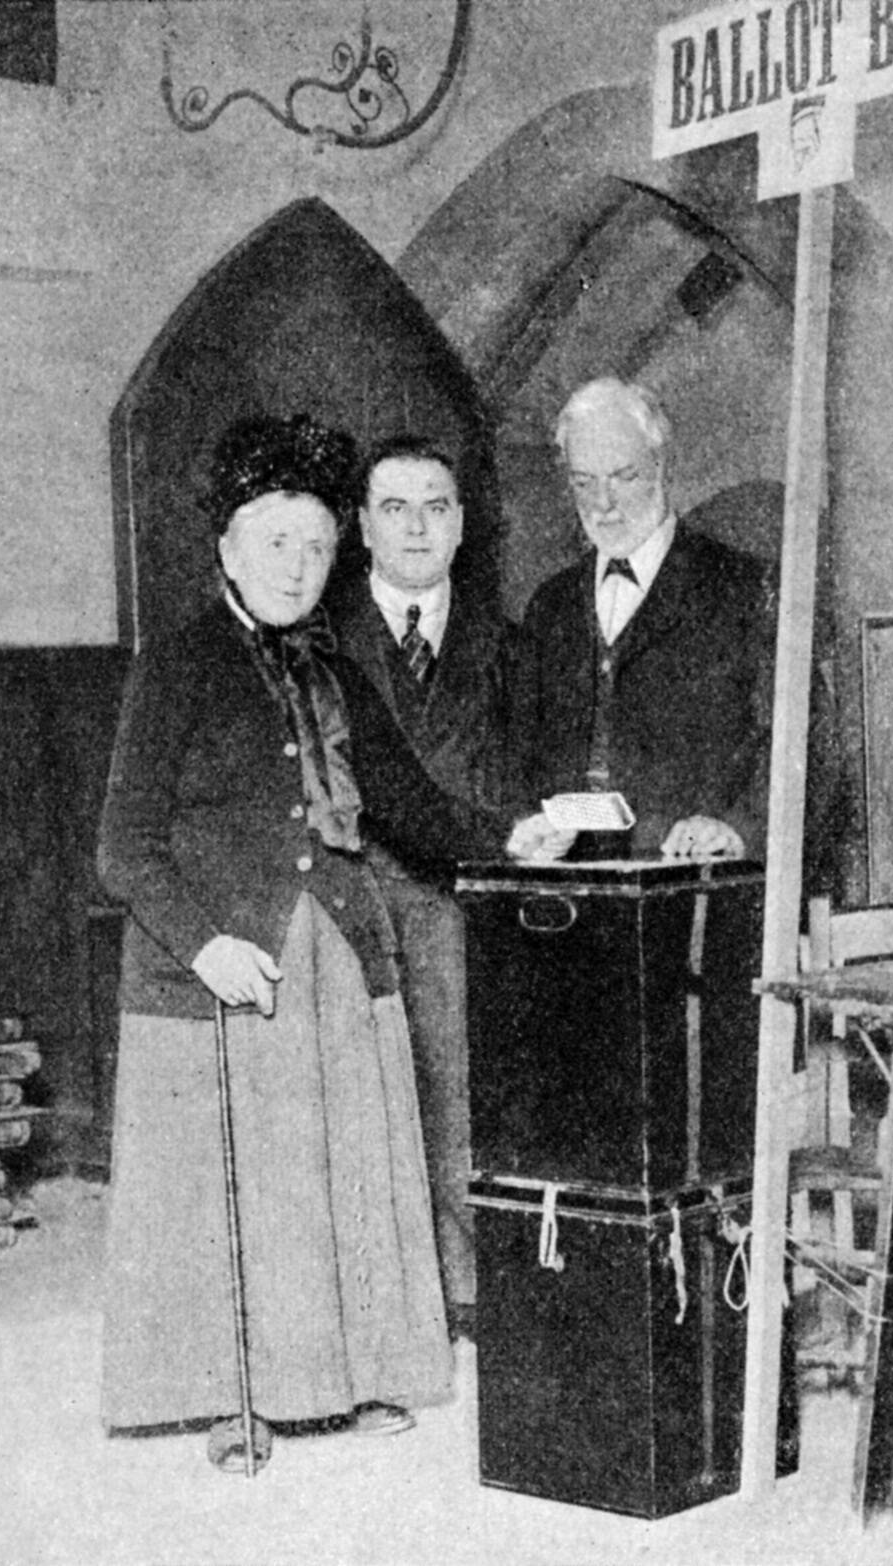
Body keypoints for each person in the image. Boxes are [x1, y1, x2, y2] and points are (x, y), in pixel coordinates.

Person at [97, 412, 561, 1473]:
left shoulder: (337, 671)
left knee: (345, 1172)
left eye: (315, 546)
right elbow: (123, 847)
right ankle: (234, 1396)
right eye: (276, 543)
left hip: (342, 961)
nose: (299, 565)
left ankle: (349, 1382)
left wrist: (514, 841)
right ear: (228, 549)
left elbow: (415, 811)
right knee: (244, 1190)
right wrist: (205, 942)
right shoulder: (175, 663)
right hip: (229, 965)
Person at [329, 434, 509, 1333]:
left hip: (462, 901)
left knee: (458, 1093)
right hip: (353, 899)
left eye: (435, 507)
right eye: (394, 509)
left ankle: (465, 1294)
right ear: (361, 525)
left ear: (461, 524)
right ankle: (369, 1304)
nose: (415, 528)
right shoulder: (318, 639)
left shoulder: (506, 643)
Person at [509, 376, 775, 862]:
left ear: (660, 465)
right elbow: (522, 760)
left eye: (622, 477)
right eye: (584, 482)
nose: (602, 503)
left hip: (693, 891)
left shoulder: (743, 589)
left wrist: (737, 830)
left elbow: (808, 746)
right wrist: (533, 824)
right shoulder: (551, 605)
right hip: (573, 897)